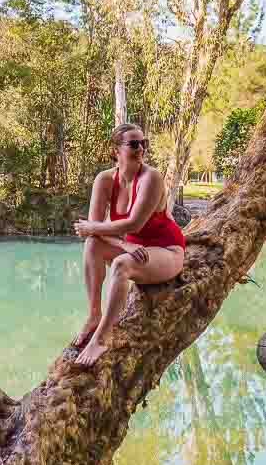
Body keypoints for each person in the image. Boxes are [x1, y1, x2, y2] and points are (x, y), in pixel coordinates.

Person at [71, 122, 186, 367]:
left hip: (167, 251)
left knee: (121, 264)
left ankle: (102, 337)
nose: (141, 148)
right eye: (134, 144)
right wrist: (125, 245)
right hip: (135, 250)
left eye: (143, 143)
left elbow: (132, 225)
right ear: (116, 151)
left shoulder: (151, 178)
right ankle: (93, 314)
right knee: (92, 244)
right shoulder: (104, 180)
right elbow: (98, 232)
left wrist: (94, 227)